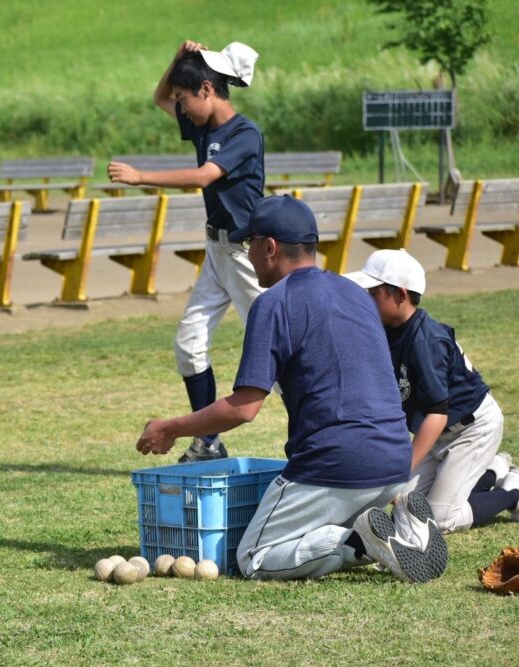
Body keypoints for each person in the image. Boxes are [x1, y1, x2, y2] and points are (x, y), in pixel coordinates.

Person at [134, 195, 448, 583]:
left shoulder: (274, 304)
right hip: (395, 462)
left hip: (337, 464)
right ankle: (403, 526)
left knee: (254, 556)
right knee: (313, 524)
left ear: (270, 248)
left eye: (250, 245)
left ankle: (359, 544)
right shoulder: (358, 296)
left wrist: (170, 427)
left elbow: (243, 408)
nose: (247, 256)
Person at [108, 40, 265, 463]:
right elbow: (159, 95)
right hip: (217, 251)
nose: (179, 106)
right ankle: (209, 442)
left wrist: (141, 176)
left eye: (185, 98)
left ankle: (318, 436)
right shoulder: (201, 125)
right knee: (189, 343)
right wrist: (177, 58)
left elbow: (202, 177)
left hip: (250, 259)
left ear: (208, 90)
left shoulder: (244, 133)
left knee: (281, 354)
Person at [345, 249, 519, 531]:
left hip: (471, 429)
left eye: (373, 293)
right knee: (401, 503)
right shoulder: (388, 328)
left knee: (438, 519)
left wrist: (401, 470)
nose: (366, 299)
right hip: (435, 431)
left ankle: (513, 492)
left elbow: (438, 413)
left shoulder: (426, 341)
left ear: (401, 295)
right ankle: (492, 472)